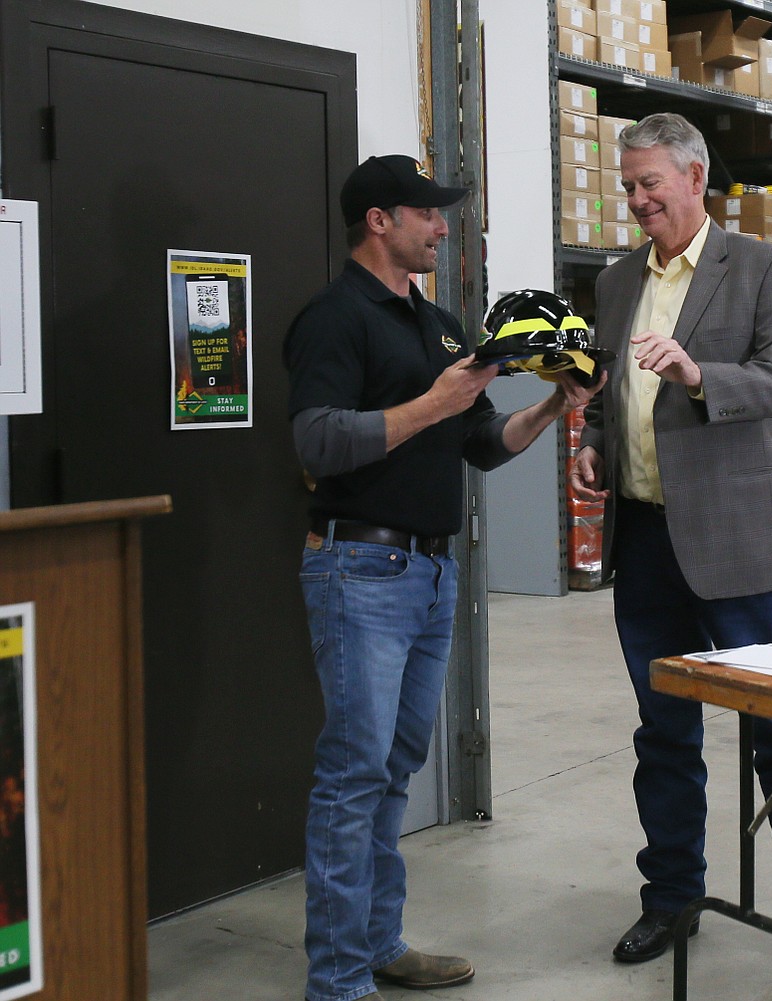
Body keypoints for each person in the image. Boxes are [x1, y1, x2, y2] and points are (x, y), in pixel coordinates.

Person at [284, 154, 603, 1001]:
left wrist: (550, 409)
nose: (441, 225)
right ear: (379, 221)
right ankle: (339, 979)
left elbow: (481, 445)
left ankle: (379, 942)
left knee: (391, 769)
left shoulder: (444, 323)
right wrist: (435, 398)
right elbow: (316, 443)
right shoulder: (335, 318)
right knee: (353, 777)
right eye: (427, 213)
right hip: (358, 568)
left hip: (428, 575)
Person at [568, 113, 772, 986]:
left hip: (736, 542)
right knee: (664, 733)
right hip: (646, 541)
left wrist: (698, 374)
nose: (637, 200)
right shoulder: (616, 282)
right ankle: (672, 899)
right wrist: (593, 438)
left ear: (696, 178)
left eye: (651, 183)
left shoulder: (762, 269)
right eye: (628, 186)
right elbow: (603, 383)